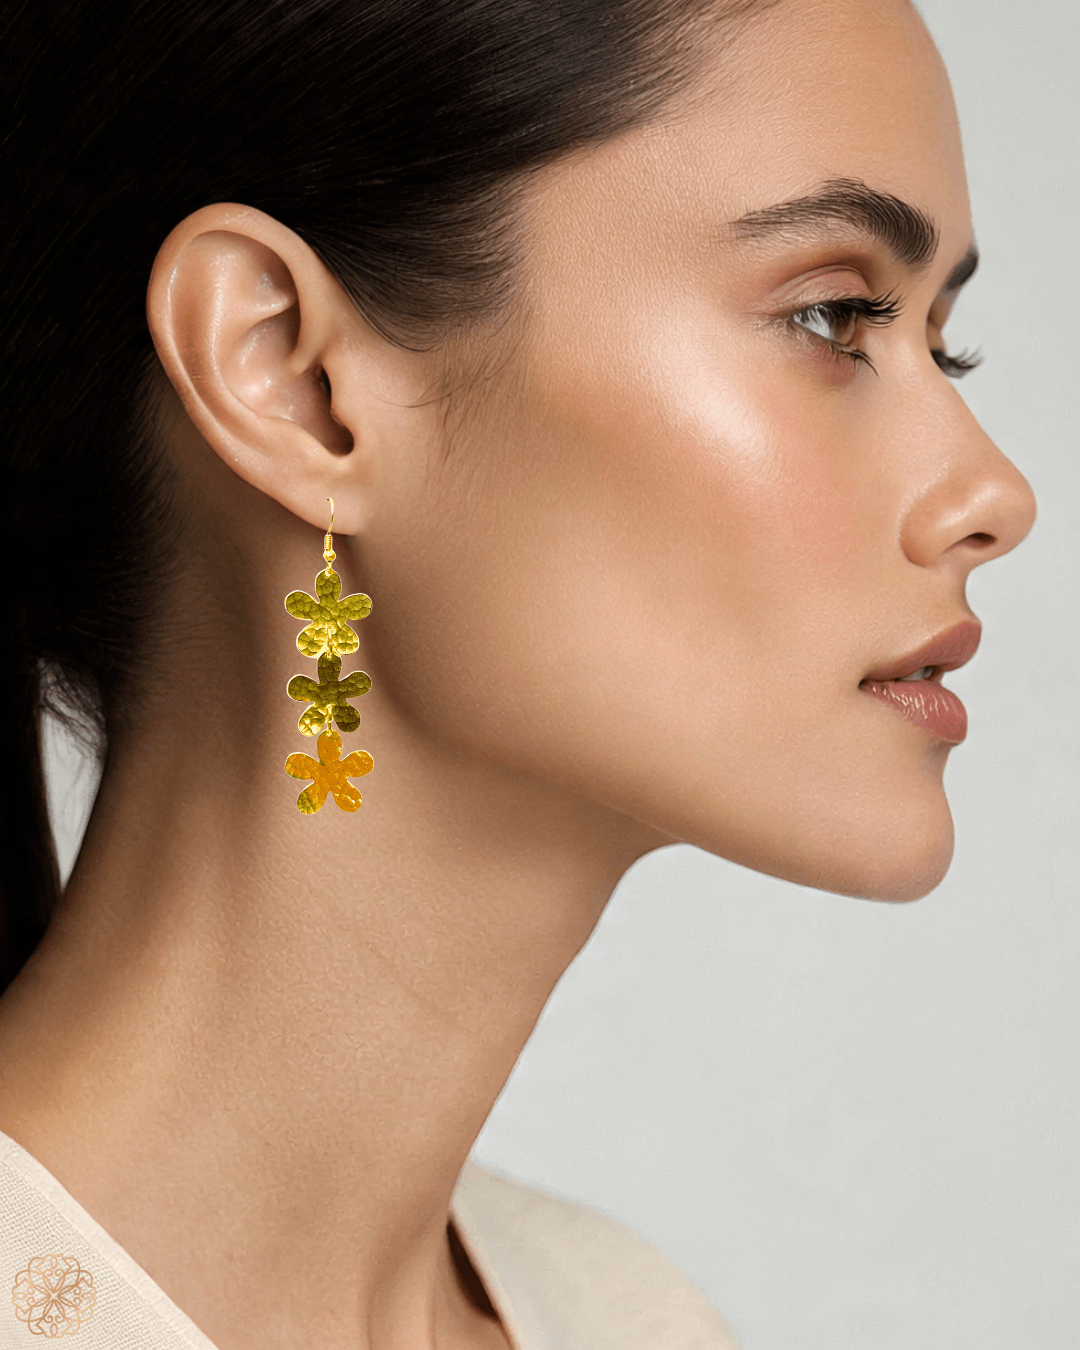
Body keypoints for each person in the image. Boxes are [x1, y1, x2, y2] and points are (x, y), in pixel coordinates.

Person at [0, 0, 1037, 1346]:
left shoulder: (629, 1318)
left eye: (941, 343)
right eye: (833, 315)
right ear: (292, 379)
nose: (993, 495)